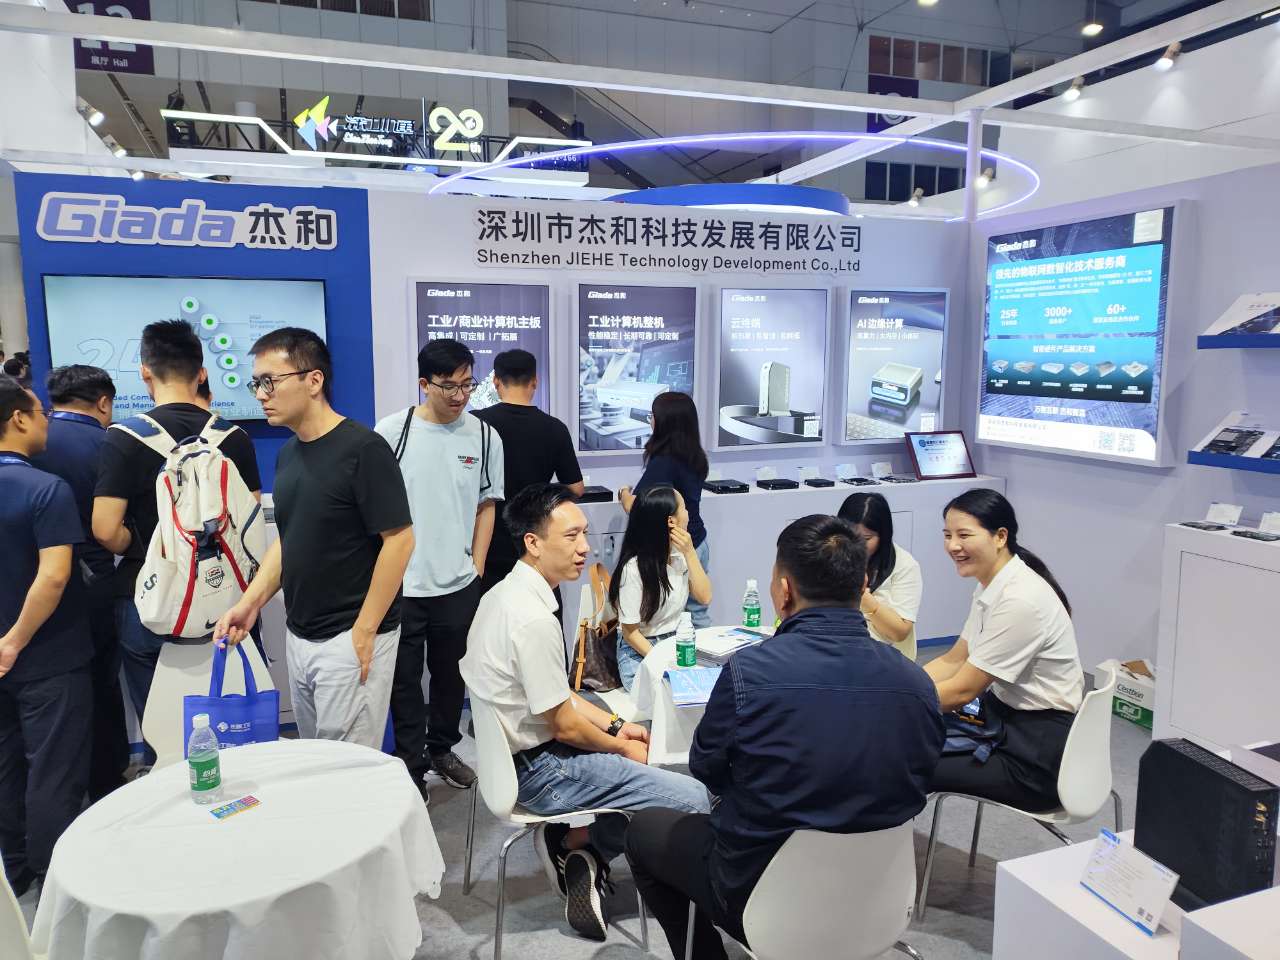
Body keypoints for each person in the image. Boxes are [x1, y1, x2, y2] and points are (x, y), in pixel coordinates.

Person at [625, 514, 944, 960]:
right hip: (881, 902)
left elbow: (706, 768)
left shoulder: (750, 674)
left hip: (761, 896)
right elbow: (921, 776)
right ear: (863, 585)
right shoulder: (917, 684)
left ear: (783, 590)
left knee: (644, 831)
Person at [460, 483, 710, 942]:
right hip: (540, 770)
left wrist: (617, 725)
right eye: (571, 536)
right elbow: (565, 724)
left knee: (639, 754)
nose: (585, 548)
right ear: (534, 543)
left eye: (584, 535)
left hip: (519, 756)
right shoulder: (532, 619)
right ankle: (590, 847)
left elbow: (560, 698)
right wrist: (620, 746)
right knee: (692, 797)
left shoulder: (504, 595)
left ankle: (581, 846)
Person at [215, 328, 414, 750]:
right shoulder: (290, 453)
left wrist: (365, 631)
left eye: (270, 381)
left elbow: (399, 540)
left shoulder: (363, 449)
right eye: (256, 383)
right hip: (301, 634)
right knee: (315, 756)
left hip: (350, 635)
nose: (261, 394)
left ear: (314, 380)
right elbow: (290, 539)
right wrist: (250, 603)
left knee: (346, 766)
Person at [93, 321, 261, 741]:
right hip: (226, 599)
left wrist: (145, 544)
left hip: (151, 597)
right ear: (201, 373)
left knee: (163, 729)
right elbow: (250, 522)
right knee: (232, 720)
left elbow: (105, 529)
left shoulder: (122, 438)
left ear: (144, 371)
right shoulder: (235, 438)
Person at [374, 338, 504, 795]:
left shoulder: (484, 436)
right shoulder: (392, 432)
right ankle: (411, 766)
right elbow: (373, 506)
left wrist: (477, 566)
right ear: (424, 384)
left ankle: (442, 748)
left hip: (458, 583)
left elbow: (487, 504)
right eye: (449, 386)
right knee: (404, 681)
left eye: (467, 384)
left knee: (452, 676)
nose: (459, 395)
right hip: (403, 585)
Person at [926, 488, 1084, 812]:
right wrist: (898, 686)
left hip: (1033, 758)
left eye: (964, 535)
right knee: (902, 738)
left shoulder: (1020, 600)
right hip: (1002, 723)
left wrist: (892, 700)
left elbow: (962, 690)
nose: (953, 545)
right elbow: (954, 660)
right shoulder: (993, 584)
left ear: (1000, 536)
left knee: (902, 760)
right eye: (947, 535)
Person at [0, 375, 93, 896]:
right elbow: (54, 576)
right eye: (40, 413)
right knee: (54, 771)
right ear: (17, 418)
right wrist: (14, 640)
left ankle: (13, 873)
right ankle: (56, 883)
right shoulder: (45, 489)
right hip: (48, 655)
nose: (46, 424)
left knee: (6, 767)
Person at [32, 365, 128, 801]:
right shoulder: (109, 444)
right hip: (96, 580)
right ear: (104, 402)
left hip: (38, 587)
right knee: (102, 686)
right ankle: (107, 784)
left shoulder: (33, 443)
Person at [474, 349, 584, 593]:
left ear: (496, 381)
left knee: (491, 611)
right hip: (536, 543)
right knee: (542, 608)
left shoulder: (476, 424)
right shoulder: (555, 428)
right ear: (535, 381)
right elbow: (576, 488)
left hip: (486, 544)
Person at [618, 391, 711, 627]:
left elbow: (637, 507)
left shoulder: (664, 461)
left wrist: (624, 493)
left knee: (670, 618)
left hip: (677, 547)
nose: (650, 420)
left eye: (652, 416)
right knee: (697, 613)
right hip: (698, 541)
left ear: (664, 422)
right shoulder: (696, 456)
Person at [608, 485, 711, 692]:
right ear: (671, 521)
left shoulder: (680, 554)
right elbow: (630, 633)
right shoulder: (633, 569)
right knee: (669, 693)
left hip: (676, 641)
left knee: (705, 687)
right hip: (640, 650)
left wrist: (690, 553)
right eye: (684, 508)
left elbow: (704, 597)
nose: (688, 514)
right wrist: (663, 660)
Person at [838, 491, 924, 660]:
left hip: (884, 660)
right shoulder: (829, 556)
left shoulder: (904, 565)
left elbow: (899, 632)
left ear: (883, 536)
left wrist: (865, 599)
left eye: (866, 538)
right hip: (838, 653)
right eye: (848, 536)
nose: (856, 545)